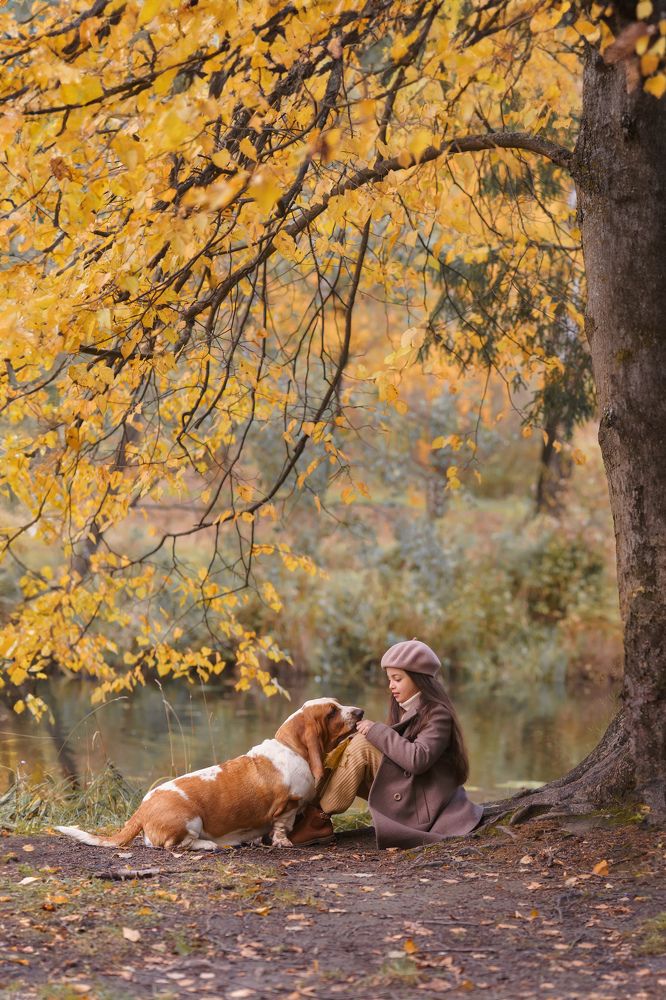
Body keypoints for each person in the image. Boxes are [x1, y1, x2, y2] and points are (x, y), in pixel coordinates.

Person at [289, 638, 483, 848]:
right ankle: (303, 813)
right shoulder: (404, 707)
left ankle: (319, 819)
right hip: (409, 791)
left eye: (397, 679)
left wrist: (376, 730)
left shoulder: (437, 714)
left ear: (419, 680)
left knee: (362, 745)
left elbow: (417, 760)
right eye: (390, 678)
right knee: (349, 744)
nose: (391, 685)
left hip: (421, 805)